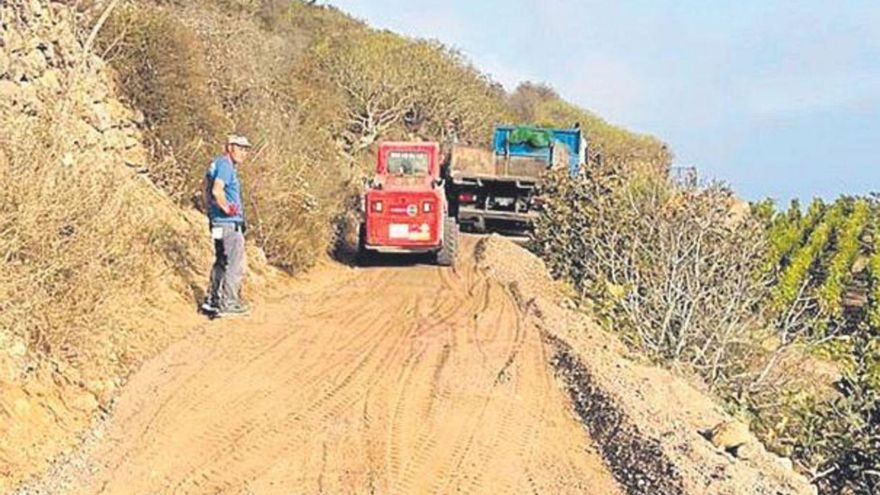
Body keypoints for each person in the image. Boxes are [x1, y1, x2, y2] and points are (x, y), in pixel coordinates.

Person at [202, 135, 252, 316]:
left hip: (217, 224)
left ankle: (212, 300)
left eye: (246, 149)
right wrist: (227, 209)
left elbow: (207, 193)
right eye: (240, 148)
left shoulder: (216, 164)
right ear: (230, 147)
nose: (244, 153)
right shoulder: (225, 166)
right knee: (234, 263)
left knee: (221, 260)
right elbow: (216, 190)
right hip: (228, 224)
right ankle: (229, 303)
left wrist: (212, 213)